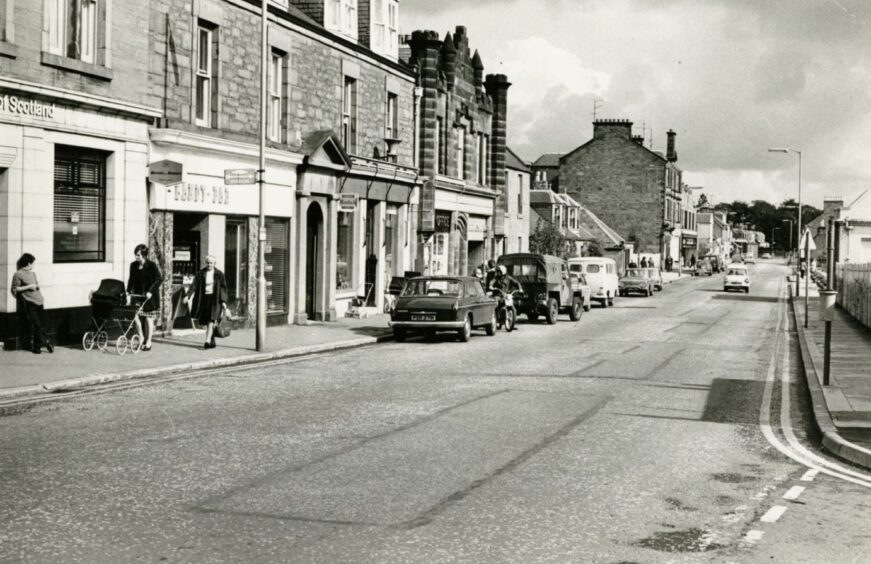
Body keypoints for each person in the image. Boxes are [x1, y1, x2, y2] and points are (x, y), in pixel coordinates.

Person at [10, 253, 53, 354]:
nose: (33, 265)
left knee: (41, 325)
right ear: (28, 263)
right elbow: (15, 289)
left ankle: (37, 348)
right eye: (33, 263)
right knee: (37, 325)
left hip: (39, 301)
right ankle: (46, 341)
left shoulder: (33, 274)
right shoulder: (18, 274)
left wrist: (36, 286)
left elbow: (36, 285)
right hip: (30, 303)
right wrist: (29, 287)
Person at [186, 255, 228, 349]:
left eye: (211, 263)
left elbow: (223, 288)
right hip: (203, 298)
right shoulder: (200, 273)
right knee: (205, 320)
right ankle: (211, 340)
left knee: (211, 319)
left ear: (214, 264)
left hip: (215, 299)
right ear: (206, 263)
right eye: (208, 262)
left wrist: (223, 301)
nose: (209, 264)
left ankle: (207, 341)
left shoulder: (219, 274)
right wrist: (188, 295)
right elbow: (194, 285)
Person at [127, 244, 162, 351]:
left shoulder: (151, 265)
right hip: (138, 295)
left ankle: (149, 342)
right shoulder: (133, 265)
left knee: (148, 318)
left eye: (138, 255)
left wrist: (150, 291)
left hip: (149, 296)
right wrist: (128, 291)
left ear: (144, 255)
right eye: (135, 255)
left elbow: (159, 279)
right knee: (135, 315)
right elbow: (131, 279)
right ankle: (141, 337)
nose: (136, 257)